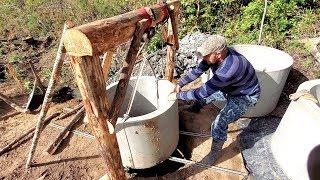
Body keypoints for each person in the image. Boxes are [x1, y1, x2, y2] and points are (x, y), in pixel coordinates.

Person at [169, 35, 260, 164]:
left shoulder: (229, 68)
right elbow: (198, 70)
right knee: (206, 97)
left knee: (219, 122)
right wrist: (180, 84)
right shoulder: (215, 57)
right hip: (231, 89)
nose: (203, 58)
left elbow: (202, 92)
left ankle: (214, 153)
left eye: (206, 55)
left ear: (217, 54)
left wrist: (178, 96)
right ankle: (194, 109)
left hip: (244, 96)